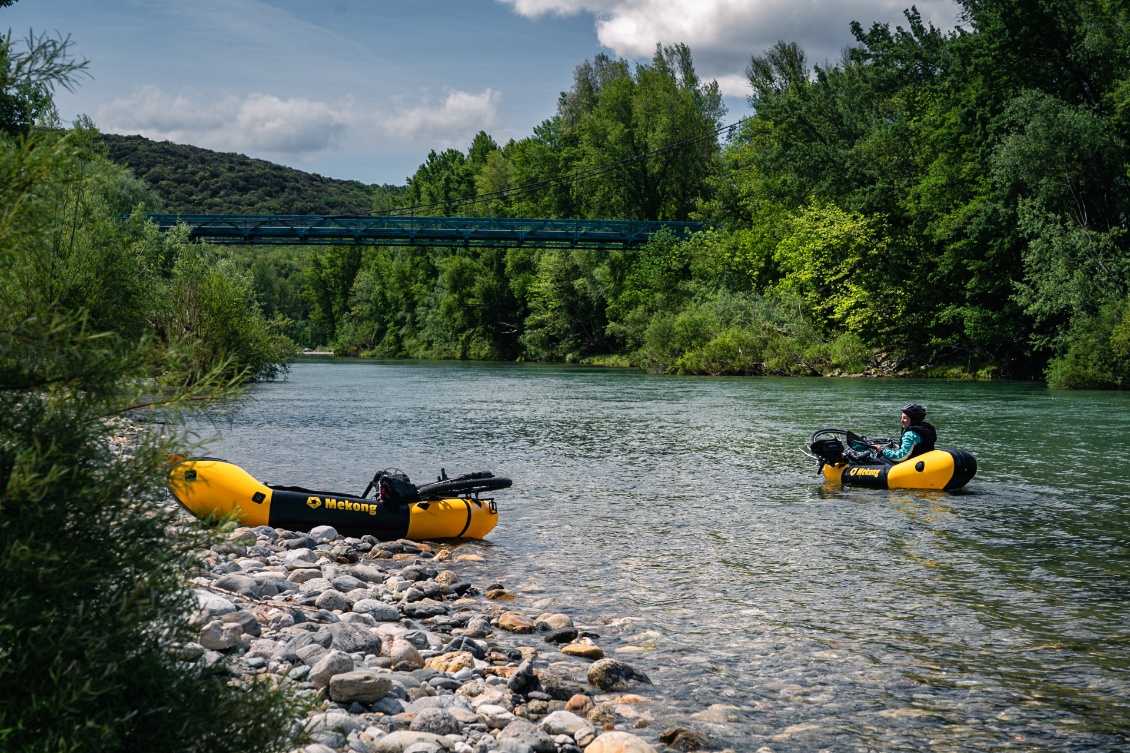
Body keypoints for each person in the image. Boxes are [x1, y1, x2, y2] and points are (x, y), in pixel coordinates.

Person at [872, 403, 936, 462]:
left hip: (912, 467)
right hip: (926, 463)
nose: (901, 420)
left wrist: (882, 451)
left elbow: (902, 456)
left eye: (904, 418)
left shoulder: (910, 434)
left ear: (913, 419)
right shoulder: (927, 429)